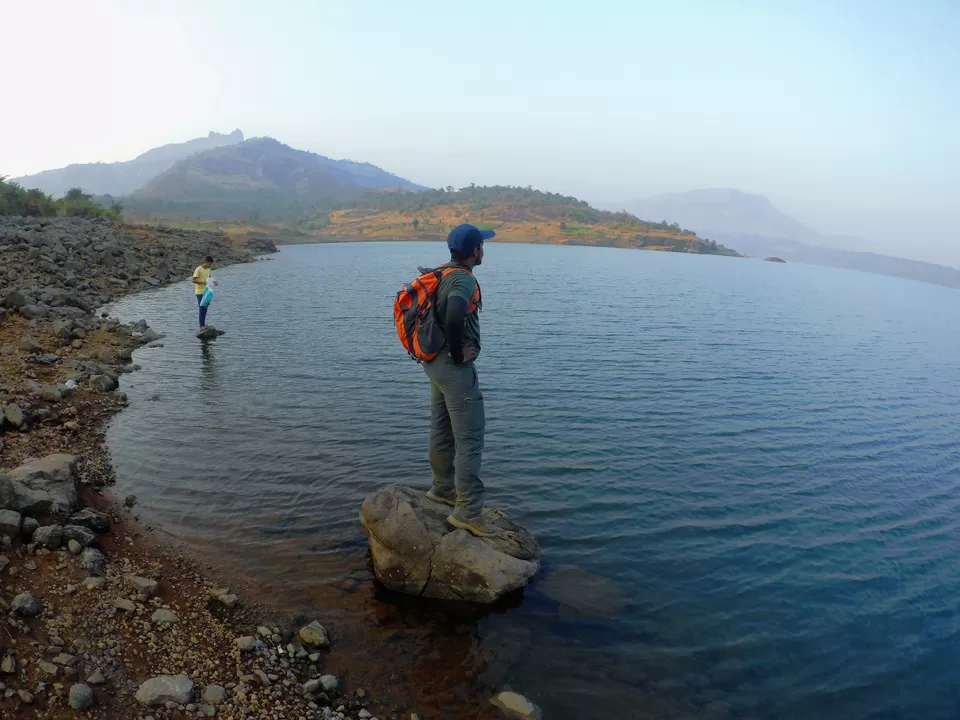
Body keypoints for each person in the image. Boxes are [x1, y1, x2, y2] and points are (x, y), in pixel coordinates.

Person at [423, 223, 497, 537]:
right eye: (482, 245)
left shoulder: (442, 272)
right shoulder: (462, 279)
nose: (484, 250)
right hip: (453, 369)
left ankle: (442, 488)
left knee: (441, 427)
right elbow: (454, 314)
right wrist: (456, 354)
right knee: (470, 440)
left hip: (434, 364)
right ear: (475, 251)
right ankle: (467, 511)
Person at [192, 256, 217, 330]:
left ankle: (203, 324)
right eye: (209, 264)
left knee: (205, 308)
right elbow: (193, 280)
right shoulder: (198, 269)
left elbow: (210, 279)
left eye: (211, 264)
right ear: (205, 262)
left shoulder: (209, 269)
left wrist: (214, 282)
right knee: (202, 308)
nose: (210, 266)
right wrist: (202, 282)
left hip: (207, 291)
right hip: (199, 292)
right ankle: (201, 326)